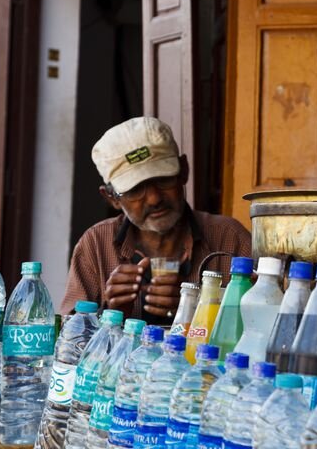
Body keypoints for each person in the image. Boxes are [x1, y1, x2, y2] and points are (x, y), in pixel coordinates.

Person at [61, 117, 252, 324]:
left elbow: (261, 323)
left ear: (184, 171)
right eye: (135, 189)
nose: (154, 199)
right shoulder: (96, 244)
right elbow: (69, 341)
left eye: (163, 180)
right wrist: (111, 315)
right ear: (112, 198)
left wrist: (193, 308)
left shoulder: (229, 238)